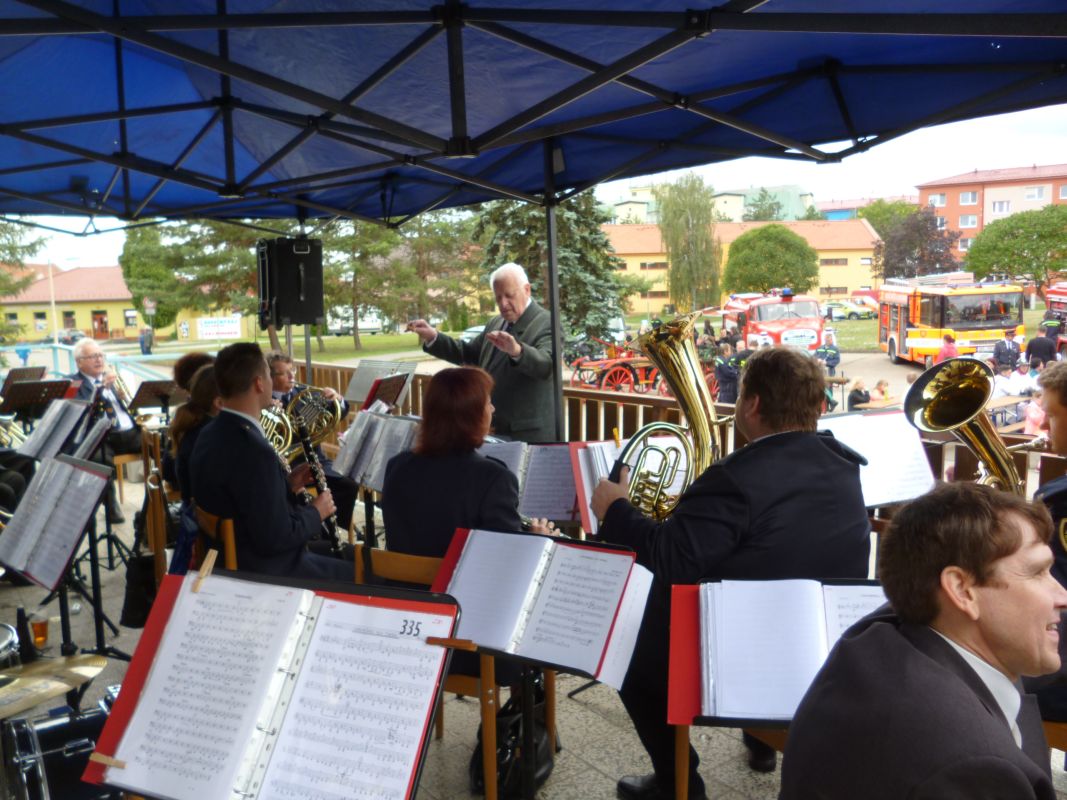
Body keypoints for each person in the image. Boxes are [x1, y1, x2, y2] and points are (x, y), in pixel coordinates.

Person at [590, 346, 870, 799]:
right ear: (816, 406)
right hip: (827, 638)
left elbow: (671, 560)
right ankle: (759, 743)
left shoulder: (735, 477)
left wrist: (617, 508)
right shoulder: (842, 463)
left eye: (740, 398)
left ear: (754, 404)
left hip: (756, 650)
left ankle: (678, 781)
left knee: (625, 647)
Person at [781, 482, 1066, 800]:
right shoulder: (972, 767)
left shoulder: (888, 633)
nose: (1063, 595)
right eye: (1038, 572)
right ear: (961, 590)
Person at [189, 343, 349, 581]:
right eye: (268, 376)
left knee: (349, 556)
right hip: (266, 568)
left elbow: (246, 499)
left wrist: (289, 484)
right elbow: (277, 538)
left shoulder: (210, 432)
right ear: (259, 383)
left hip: (233, 556)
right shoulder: (255, 450)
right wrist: (317, 511)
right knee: (362, 571)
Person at [382, 367, 552, 557]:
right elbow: (504, 559)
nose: (493, 409)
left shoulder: (397, 465)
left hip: (398, 585)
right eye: (488, 403)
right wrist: (537, 541)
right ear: (473, 415)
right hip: (457, 586)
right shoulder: (494, 479)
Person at [408, 262, 555, 442]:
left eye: (509, 296)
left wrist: (517, 351)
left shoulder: (547, 322)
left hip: (525, 435)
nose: (503, 304)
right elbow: (468, 354)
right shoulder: (496, 323)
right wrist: (433, 337)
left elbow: (546, 365)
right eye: (498, 298)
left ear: (527, 290)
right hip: (491, 429)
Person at [267, 352, 357, 535]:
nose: (292, 376)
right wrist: (268, 410)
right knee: (295, 494)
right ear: (269, 377)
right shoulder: (264, 402)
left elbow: (340, 413)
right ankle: (314, 527)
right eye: (285, 373)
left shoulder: (304, 394)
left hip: (315, 459)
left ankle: (333, 528)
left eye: (292, 370)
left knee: (349, 483)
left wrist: (337, 400)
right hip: (286, 466)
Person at [69, 338, 141, 523]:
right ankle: (111, 506)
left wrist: (125, 397)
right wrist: (101, 389)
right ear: (79, 362)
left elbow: (126, 407)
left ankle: (160, 500)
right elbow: (82, 412)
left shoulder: (110, 377)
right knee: (98, 460)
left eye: (100, 355)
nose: (99, 360)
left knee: (163, 443)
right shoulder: (73, 383)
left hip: (129, 432)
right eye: (92, 356)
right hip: (102, 437)